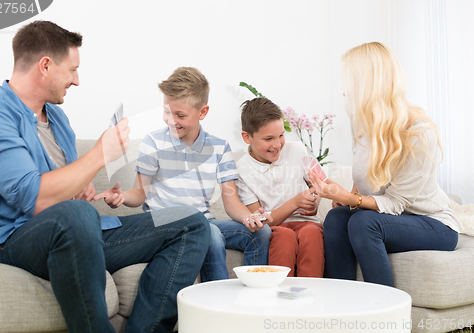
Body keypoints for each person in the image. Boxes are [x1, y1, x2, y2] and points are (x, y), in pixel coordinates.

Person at [0, 21, 210, 333]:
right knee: (77, 214)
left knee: (191, 222)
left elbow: (65, 197)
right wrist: (99, 154)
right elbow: (34, 198)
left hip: (75, 232)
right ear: (45, 66)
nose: (77, 80)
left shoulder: (56, 117)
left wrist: (80, 192)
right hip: (14, 239)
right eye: (72, 70)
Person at [94, 67, 272, 282]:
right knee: (211, 234)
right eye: (166, 111)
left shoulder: (219, 147)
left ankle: (257, 294)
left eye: (180, 115)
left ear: (202, 112)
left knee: (262, 233)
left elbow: (231, 200)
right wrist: (122, 197)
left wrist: (249, 217)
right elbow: (139, 193)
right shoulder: (154, 142)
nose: (171, 120)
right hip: (165, 226)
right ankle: (217, 302)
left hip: (204, 222)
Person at [308, 41, 464, 287]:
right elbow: (367, 174)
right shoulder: (361, 122)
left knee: (363, 222)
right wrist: (348, 196)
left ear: (366, 85)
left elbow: (397, 203)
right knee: (337, 218)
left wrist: (353, 201)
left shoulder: (418, 132)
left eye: (348, 83)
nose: (344, 91)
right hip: (386, 219)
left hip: (433, 225)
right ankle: (341, 306)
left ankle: (384, 315)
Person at [235, 97, 324, 277]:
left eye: (281, 135)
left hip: (306, 223)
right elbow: (261, 221)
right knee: (284, 237)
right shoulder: (241, 170)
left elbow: (321, 183)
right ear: (247, 137)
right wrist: (295, 202)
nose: (277, 145)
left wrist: (315, 200)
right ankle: (280, 297)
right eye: (268, 138)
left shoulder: (297, 149)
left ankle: (311, 294)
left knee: (312, 234)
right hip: (274, 227)